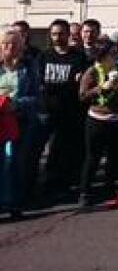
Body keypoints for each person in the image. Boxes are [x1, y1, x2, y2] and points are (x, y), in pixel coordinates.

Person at [77, 41, 118, 209]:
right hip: (98, 119)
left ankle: (110, 188)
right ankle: (85, 191)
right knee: (93, 156)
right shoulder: (92, 71)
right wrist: (100, 88)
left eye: (116, 53)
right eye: (111, 54)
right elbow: (82, 96)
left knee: (116, 157)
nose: (114, 57)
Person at [36, 19, 89, 201]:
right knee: (47, 151)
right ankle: (47, 185)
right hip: (48, 111)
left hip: (70, 112)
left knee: (65, 151)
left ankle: (64, 185)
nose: (57, 37)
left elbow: (83, 82)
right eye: (54, 34)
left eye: (61, 33)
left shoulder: (78, 57)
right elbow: (39, 82)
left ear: (68, 35)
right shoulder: (44, 56)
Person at [0, 29, 40, 219]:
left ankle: (14, 204)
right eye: (5, 43)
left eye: (14, 44)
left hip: (20, 121)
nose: (9, 47)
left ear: (21, 47)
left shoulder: (28, 67)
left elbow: (35, 98)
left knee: (15, 163)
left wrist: (16, 104)